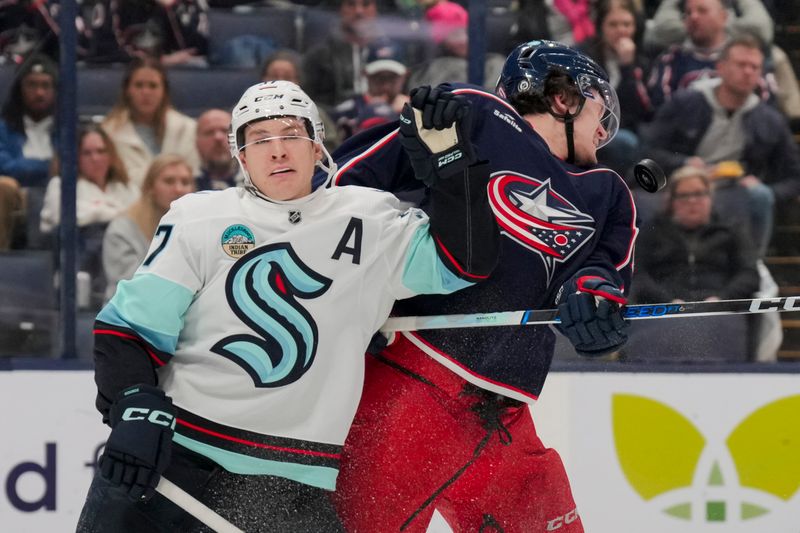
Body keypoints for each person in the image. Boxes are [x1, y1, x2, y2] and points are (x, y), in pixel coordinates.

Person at [75, 80, 498, 532]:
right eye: (259, 139)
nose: (277, 151)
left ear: (317, 146)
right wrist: (134, 405)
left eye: (291, 134)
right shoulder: (199, 217)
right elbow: (129, 332)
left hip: (290, 485)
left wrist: (454, 167)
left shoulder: (371, 220)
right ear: (240, 157)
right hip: (177, 458)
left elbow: (465, 262)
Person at [330, 40, 637, 532]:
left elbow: (601, 269)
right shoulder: (479, 115)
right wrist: (344, 293)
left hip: (503, 409)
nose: (604, 130)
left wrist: (592, 301)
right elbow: (345, 182)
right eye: (599, 106)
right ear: (562, 97)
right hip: (411, 376)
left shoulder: (606, 191)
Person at [642, 34, 800, 255]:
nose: (748, 72)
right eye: (741, 65)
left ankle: (752, 267)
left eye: (754, 67)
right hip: (679, 184)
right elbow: (647, 149)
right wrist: (685, 162)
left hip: (732, 190)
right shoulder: (687, 101)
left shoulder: (768, 118)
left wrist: (770, 191)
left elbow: (795, 175)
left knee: (760, 196)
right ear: (721, 67)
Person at [624, 166, 760, 363]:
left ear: (710, 197)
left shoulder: (731, 229)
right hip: (664, 310)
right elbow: (637, 275)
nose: (692, 201)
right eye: (684, 195)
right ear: (672, 201)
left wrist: (722, 299)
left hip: (720, 310)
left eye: (699, 194)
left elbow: (749, 275)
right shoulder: (652, 229)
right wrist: (668, 302)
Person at [40, 124, 139, 308]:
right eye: (87, 153)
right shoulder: (60, 185)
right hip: (78, 259)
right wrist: (112, 212)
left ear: (111, 155)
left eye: (101, 151)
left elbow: (141, 221)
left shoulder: (127, 188)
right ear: (74, 157)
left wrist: (96, 211)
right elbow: (67, 218)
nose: (96, 158)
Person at [103, 154, 195, 302]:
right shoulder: (122, 229)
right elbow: (133, 288)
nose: (178, 189)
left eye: (185, 182)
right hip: (128, 316)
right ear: (150, 187)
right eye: (169, 181)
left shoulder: (199, 228)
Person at [579, 0, 652, 177]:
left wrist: (627, 67)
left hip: (625, 128)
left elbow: (641, 110)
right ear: (601, 27)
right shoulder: (583, 57)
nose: (621, 30)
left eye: (626, 24)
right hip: (587, 125)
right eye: (613, 24)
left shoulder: (643, 62)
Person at [102, 57, 200, 187]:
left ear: (164, 91)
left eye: (153, 86)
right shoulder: (108, 132)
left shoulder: (187, 128)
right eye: (139, 85)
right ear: (127, 90)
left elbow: (193, 173)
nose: (146, 92)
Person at [408, 1, 505, 90]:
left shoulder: (492, 64)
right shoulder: (433, 69)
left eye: (467, 32)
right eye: (456, 34)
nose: (465, 39)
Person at [302, 0, 381, 108]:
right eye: (351, 4)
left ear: (375, 9)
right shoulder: (319, 55)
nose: (359, 11)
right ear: (340, 10)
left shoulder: (393, 52)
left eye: (366, 4)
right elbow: (307, 102)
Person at [331, 39, 409, 142]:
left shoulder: (415, 111)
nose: (385, 86)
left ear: (405, 76)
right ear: (365, 74)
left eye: (392, 78)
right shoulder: (345, 114)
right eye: (378, 78)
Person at [0, 53, 58, 188]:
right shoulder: (3, 130)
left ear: (55, 91)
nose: (39, 93)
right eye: (32, 85)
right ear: (20, 90)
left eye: (45, 85)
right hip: (15, 198)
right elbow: (5, 168)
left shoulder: (68, 132)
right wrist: (50, 167)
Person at [193, 109, 240, 191]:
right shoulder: (183, 185)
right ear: (197, 142)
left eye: (225, 130)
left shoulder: (257, 181)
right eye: (209, 132)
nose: (218, 137)